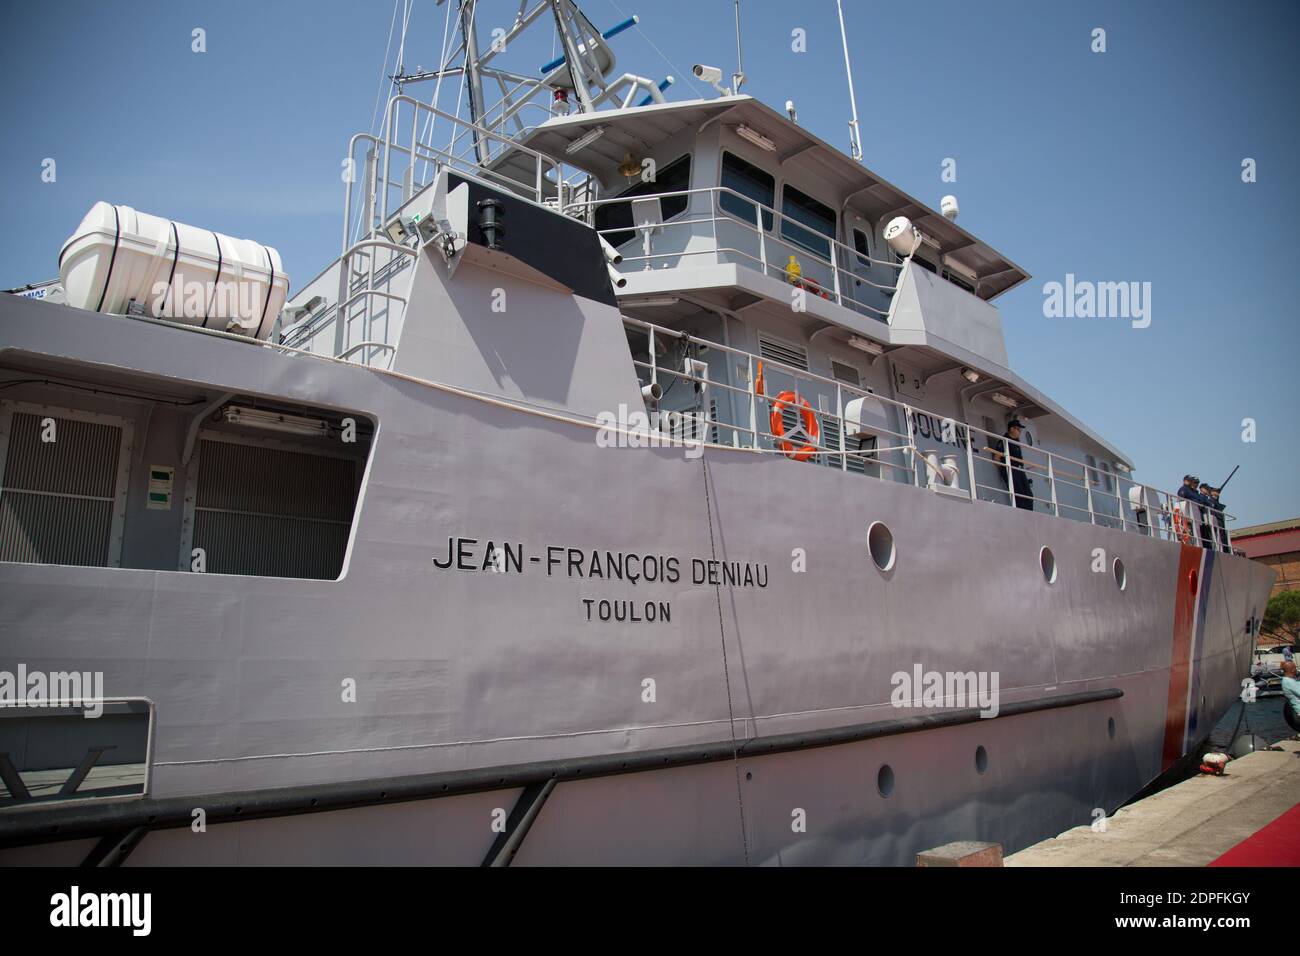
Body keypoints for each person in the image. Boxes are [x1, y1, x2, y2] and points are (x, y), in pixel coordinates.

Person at [990, 419, 1035, 511]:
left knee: (1029, 495)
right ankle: (1022, 514)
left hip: (1019, 470)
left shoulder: (1016, 441)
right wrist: (1005, 470)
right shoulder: (1004, 441)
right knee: (1019, 494)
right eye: (1018, 429)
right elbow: (996, 458)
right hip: (1011, 470)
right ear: (1011, 429)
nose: (1020, 431)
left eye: (1020, 430)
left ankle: (1029, 514)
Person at [1280, 661, 1300, 740]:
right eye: (1295, 668)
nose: (1296, 670)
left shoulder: (1290, 681)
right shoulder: (1288, 682)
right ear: (1292, 670)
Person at [1206, 486, 1230, 552]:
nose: (1218, 492)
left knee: (1223, 537)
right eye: (1216, 491)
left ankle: (1226, 549)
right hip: (1216, 520)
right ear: (1212, 493)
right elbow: (1212, 510)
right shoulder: (1210, 501)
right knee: (1220, 536)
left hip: (1220, 520)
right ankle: (1224, 550)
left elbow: (1217, 502)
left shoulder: (1215, 500)